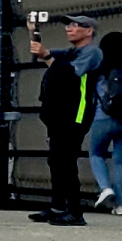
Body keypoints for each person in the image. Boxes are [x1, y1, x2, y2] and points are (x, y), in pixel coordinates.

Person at [24, 14, 101, 227]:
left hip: (75, 115)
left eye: (75, 25)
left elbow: (70, 74)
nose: (69, 28)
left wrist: (47, 56)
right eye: (68, 25)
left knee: (66, 162)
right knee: (56, 161)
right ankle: (58, 207)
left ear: (89, 31)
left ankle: (75, 212)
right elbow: (45, 55)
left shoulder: (92, 53)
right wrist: (34, 33)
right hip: (59, 115)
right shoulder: (70, 52)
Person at [85, 29, 122, 212]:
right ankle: (120, 205)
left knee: (96, 153)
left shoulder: (100, 69)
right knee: (120, 161)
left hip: (104, 117)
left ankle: (105, 188)